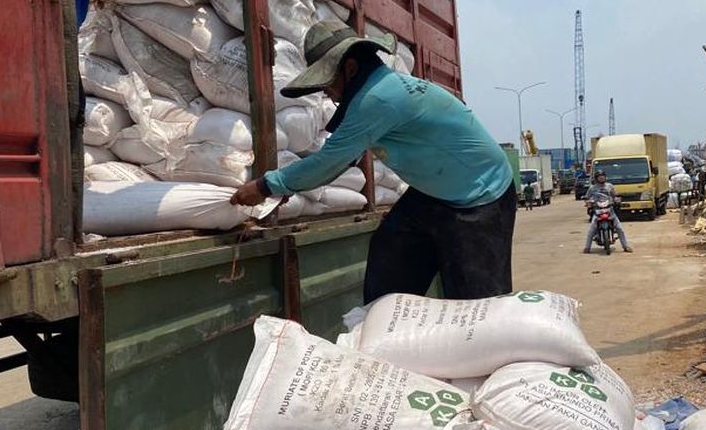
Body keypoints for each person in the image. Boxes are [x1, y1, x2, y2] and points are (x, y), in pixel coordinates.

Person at [229, 18, 516, 302]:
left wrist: (267, 186)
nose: (327, 94)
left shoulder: (376, 99)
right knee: (392, 253)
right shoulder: (382, 89)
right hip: (436, 194)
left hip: (481, 195)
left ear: (351, 69)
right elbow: (347, 155)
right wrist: (291, 186)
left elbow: (328, 163)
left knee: (476, 302)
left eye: (327, 83)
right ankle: (388, 331)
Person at [583, 170, 631, 253]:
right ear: (596, 178)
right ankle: (587, 248)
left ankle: (625, 246)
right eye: (599, 177)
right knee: (591, 230)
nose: (601, 178)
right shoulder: (592, 188)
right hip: (597, 211)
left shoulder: (609, 186)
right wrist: (588, 202)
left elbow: (614, 195)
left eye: (603, 176)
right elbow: (587, 197)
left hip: (609, 210)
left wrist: (617, 200)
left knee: (619, 228)